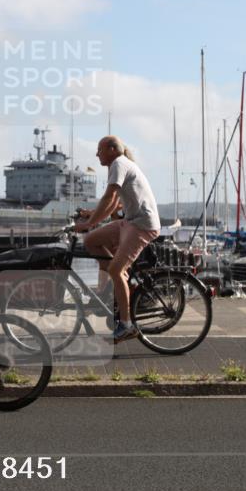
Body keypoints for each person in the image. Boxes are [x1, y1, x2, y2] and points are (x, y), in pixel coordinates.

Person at [74, 136, 160, 342]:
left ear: (112, 149)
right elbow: (113, 204)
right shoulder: (119, 165)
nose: (97, 154)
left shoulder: (119, 163)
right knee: (91, 241)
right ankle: (112, 287)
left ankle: (126, 324)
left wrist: (88, 223)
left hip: (142, 225)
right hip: (130, 222)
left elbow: (108, 197)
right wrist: (92, 218)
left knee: (115, 269)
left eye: (99, 149)